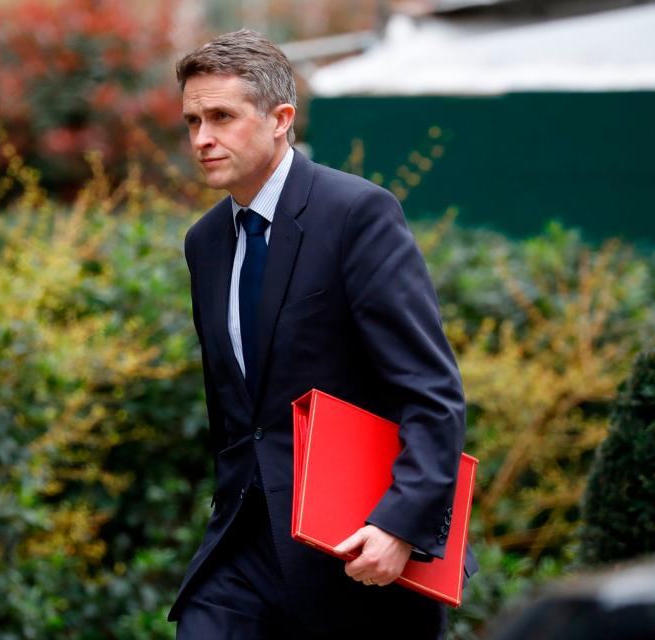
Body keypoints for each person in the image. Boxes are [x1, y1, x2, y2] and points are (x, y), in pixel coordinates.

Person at [168, 29, 471, 639]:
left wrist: (401, 524)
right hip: (241, 550)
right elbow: (235, 411)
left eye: (221, 117)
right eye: (193, 121)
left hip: (353, 548)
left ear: (281, 118)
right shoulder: (204, 243)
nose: (202, 139)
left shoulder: (357, 214)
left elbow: (430, 388)